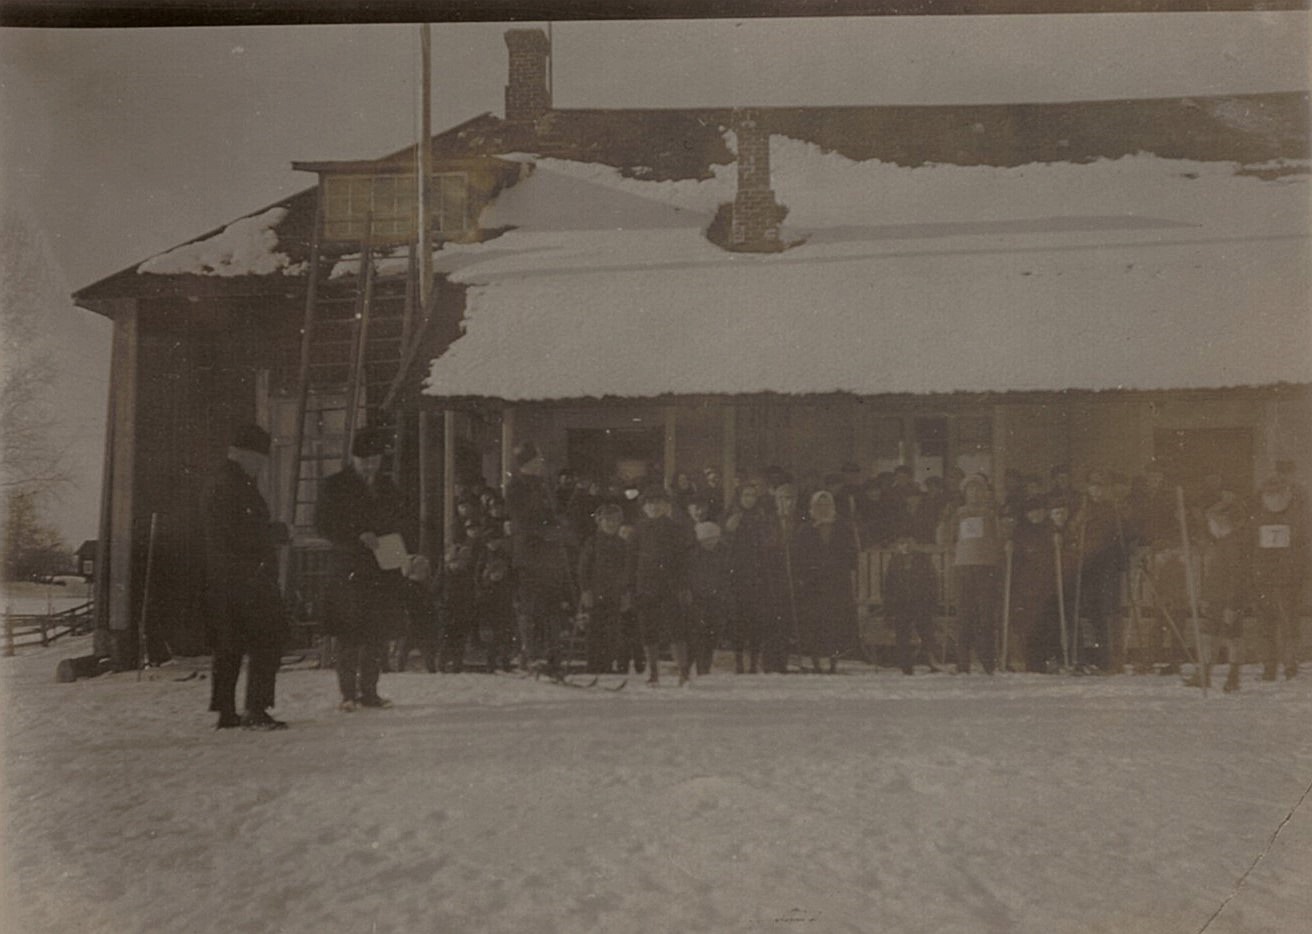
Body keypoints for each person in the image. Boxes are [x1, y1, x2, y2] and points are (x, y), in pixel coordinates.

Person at [202, 424, 289, 730]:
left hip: (229, 579)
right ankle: (256, 709)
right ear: (241, 455)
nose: (261, 467)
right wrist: (273, 533)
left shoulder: (229, 482)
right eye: (259, 460)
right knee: (266, 642)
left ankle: (226, 711)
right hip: (248, 579)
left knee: (230, 645)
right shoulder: (232, 485)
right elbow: (240, 532)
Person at [317, 427, 404, 711]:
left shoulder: (388, 487)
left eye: (375, 461)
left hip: (381, 569)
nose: (370, 467)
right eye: (364, 461)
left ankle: (370, 692)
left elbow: (400, 522)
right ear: (353, 458)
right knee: (349, 633)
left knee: (376, 633)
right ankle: (348, 694)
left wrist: (398, 549)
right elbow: (323, 524)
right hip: (349, 569)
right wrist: (357, 534)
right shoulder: (334, 486)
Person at [505, 441, 573, 672]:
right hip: (529, 554)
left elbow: (551, 513)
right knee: (531, 607)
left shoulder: (543, 484)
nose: (540, 464)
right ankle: (532, 654)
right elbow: (522, 521)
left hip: (549, 556)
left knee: (552, 606)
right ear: (527, 462)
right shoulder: (516, 486)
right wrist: (547, 533)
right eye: (537, 460)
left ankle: (553, 655)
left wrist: (560, 526)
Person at [628, 486, 695, 686]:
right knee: (648, 630)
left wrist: (684, 586)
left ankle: (683, 672)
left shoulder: (676, 529)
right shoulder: (638, 530)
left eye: (659, 503)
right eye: (650, 504)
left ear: (666, 506)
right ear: (644, 508)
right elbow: (631, 561)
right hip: (645, 586)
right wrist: (631, 587)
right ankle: (653, 672)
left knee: (677, 629)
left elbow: (684, 560)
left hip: (671, 586)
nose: (654, 507)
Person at [792, 490, 858, 674]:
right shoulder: (805, 530)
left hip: (837, 582)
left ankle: (833, 662)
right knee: (815, 624)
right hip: (813, 584)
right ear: (812, 508)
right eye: (818, 506)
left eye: (826, 505)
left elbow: (851, 554)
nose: (823, 509)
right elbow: (798, 557)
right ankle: (815, 662)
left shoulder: (843, 527)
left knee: (835, 623)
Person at [1250, 474, 1306, 681]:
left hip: (1288, 579)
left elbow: (1304, 545)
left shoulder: (1299, 517)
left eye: (1277, 493)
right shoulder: (1257, 517)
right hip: (1263, 578)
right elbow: (1251, 546)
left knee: (1288, 623)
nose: (1272, 498)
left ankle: (1289, 664)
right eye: (1269, 494)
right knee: (1265, 624)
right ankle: (1269, 666)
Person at [950, 474, 1003, 674]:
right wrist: (948, 520)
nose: (974, 493)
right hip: (963, 566)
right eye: (970, 489)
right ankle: (962, 664)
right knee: (964, 615)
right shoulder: (958, 513)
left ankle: (988, 662)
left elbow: (1000, 535)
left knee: (986, 616)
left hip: (986, 566)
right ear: (964, 493)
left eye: (978, 489)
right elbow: (945, 536)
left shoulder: (990, 513)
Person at [1198, 489, 1248, 691]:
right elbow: (1212, 575)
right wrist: (1205, 597)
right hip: (1215, 599)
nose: (1210, 527)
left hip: (1228, 600)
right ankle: (1205, 675)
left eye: (1212, 522)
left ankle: (1233, 677)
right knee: (1210, 636)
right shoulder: (1221, 544)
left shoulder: (1234, 545)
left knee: (1231, 638)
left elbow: (1238, 578)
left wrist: (1232, 605)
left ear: (1221, 522)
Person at [724, 483, 773, 674]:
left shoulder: (761, 518)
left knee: (756, 620)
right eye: (746, 495)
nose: (749, 499)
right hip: (737, 575)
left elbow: (766, 544)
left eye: (753, 495)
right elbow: (726, 543)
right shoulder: (732, 516)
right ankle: (738, 661)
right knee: (738, 620)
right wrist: (730, 528)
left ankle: (753, 663)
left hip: (757, 575)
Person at [577, 503, 631, 674]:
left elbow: (628, 570)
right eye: (607, 520)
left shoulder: (623, 544)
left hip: (615, 594)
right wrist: (585, 590)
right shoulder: (592, 542)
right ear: (600, 521)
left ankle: (607, 665)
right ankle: (593, 666)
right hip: (596, 593)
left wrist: (626, 594)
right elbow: (583, 568)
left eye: (615, 520)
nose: (611, 524)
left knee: (612, 631)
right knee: (595, 630)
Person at [884, 533, 940, 675]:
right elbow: (888, 585)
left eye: (909, 542)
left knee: (926, 631)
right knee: (902, 632)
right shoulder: (894, 561)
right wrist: (889, 606)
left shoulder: (923, 559)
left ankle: (932, 661)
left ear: (914, 543)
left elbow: (932, 581)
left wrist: (931, 600)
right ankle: (905, 665)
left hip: (921, 601)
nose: (906, 546)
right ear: (897, 545)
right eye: (902, 543)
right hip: (901, 602)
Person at [688, 521, 731, 676]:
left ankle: (705, 667)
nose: (711, 543)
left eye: (713, 539)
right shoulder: (693, 555)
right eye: (707, 540)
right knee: (699, 636)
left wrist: (722, 593)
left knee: (713, 635)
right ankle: (698, 667)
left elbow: (727, 575)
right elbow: (691, 577)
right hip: (698, 600)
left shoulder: (723, 553)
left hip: (717, 600)